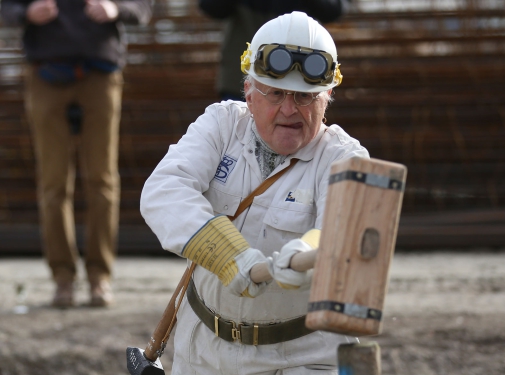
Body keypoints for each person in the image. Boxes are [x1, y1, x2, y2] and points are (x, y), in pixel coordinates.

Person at [140, 12, 367, 374]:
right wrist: (230, 256)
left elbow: (343, 233)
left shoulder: (345, 159)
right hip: (204, 352)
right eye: (276, 93)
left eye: (305, 97)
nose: (290, 109)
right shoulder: (221, 125)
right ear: (249, 92)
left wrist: (307, 250)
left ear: (327, 98)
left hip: (304, 356)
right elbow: (165, 190)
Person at [0, 0, 152, 308]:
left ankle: (100, 277)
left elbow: (143, 8)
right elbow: (6, 8)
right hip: (46, 73)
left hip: (101, 73)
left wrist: (114, 9)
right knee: (53, 183)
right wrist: (27, 13)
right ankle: (63, 279)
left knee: (102, 180)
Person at [200, 0, 348, 101]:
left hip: (302, 80)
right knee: (235, 137)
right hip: (243, 78)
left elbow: (332, 10)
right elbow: (212, 7)